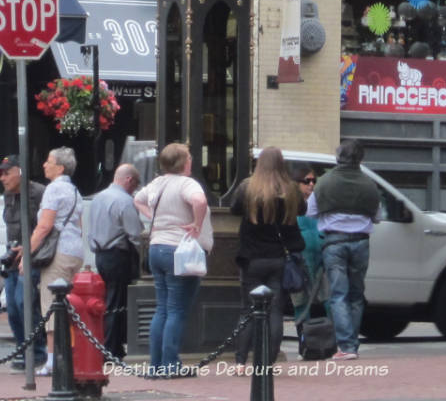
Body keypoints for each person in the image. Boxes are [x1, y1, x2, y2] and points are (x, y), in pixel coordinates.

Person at [134, 142, 213, 378]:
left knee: (162, 309)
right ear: (183, 162)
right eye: (188, 157)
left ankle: (156, 365)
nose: (191, 161)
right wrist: (197, 225)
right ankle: (171, 365)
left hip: (156, 247)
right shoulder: (187, 183)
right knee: (177, 310)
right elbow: (199, 201)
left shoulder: (157, 182)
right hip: (179, 250)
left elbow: (137, 198)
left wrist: (155, 220)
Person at [230, 146, 306, 373]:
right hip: (279, 258)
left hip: (252, 257)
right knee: (275, 311)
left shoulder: (247, 187)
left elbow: (234, 210)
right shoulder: (291, 189)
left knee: (248, 311)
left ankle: (241, 363)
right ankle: (266, 363)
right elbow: (302, 210)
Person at [307, 139, 381, 360]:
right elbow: (377, 217)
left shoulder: (324, 182)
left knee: (338, 295)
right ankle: (352, 345)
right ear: (361, 159)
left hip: (334, 243)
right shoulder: (369, 184)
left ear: (338, 157)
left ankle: (346, 346)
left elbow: (310, 211)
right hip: (361, 242)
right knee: (357, 295)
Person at [26, 146, 84, 376]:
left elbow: (44, 226)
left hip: (57, 254)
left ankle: (52, 361)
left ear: (60, 167)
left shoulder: (53, 189)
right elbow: (79, 225)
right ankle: (69, 354)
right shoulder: (75, 191)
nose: (44, 165)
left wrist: (28, 256)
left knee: (51, 305)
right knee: (69, 306)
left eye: (48, 161)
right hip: (74, 252)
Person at [0, 154, 47, 370]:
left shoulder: (38, 193)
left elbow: (45, 228)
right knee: (13, 307)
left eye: (7, 173)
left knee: (25, 301)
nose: (2, 178)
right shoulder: (8, 195)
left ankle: (37, 350)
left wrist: (28, 249)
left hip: (31, 255)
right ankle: (22, 347)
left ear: (20, 172)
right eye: (1, 174)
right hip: (12, 256)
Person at [88, 163, 143, 359]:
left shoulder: (98, 198)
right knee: (116, 302)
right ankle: (111, 348)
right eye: (135, 184)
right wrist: (143, 257)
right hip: (118, 255)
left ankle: (112, 346)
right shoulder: (125, 201)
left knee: (108, 300)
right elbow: (135, 235)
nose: (134, 189)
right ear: (128, 180)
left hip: (101, 255)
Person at [291, 165, 329, 345]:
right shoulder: (291, 204)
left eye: (314, 181)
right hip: (300, 260)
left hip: (321, 259)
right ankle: (304, 343)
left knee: (327, 299)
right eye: (307, 181)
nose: (311, 184)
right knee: (301, 303)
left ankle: (330, 341)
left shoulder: (318, 203)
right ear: (297, 182)